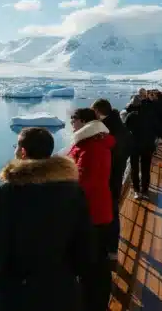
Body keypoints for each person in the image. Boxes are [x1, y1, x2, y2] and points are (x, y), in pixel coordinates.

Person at [0, 127, 94, 311]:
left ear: (23, 152)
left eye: (16, 147)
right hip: (61, 293)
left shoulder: (8, 193)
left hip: (16, 296)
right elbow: (85, 246)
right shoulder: (73, 191)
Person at [68, 108, 115, 311]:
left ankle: (95, 304)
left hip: (92, 214)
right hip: (98, 211)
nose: (71, 123)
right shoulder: (95, 142)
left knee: (93, 265)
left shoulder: (91, 148)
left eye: (73, 120)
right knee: (96, 261)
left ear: (84, 122)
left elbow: (83, 184)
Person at [92, 98, 132, 262]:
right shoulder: (118, 125)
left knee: (107, 214)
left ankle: (105, 250)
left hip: (107, 178)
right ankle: (112, 249)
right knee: (113, 212)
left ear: (98, 112)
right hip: (116, 175)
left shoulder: (106, 130)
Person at [124, 95, 156, 199]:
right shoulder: (149, 112)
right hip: (147, 145)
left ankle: (137, 191)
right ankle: (144, 190)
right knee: (145, 168)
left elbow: (125, 130)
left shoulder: (129, 115)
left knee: (135, 168)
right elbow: (154, 127)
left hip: (135, 146)